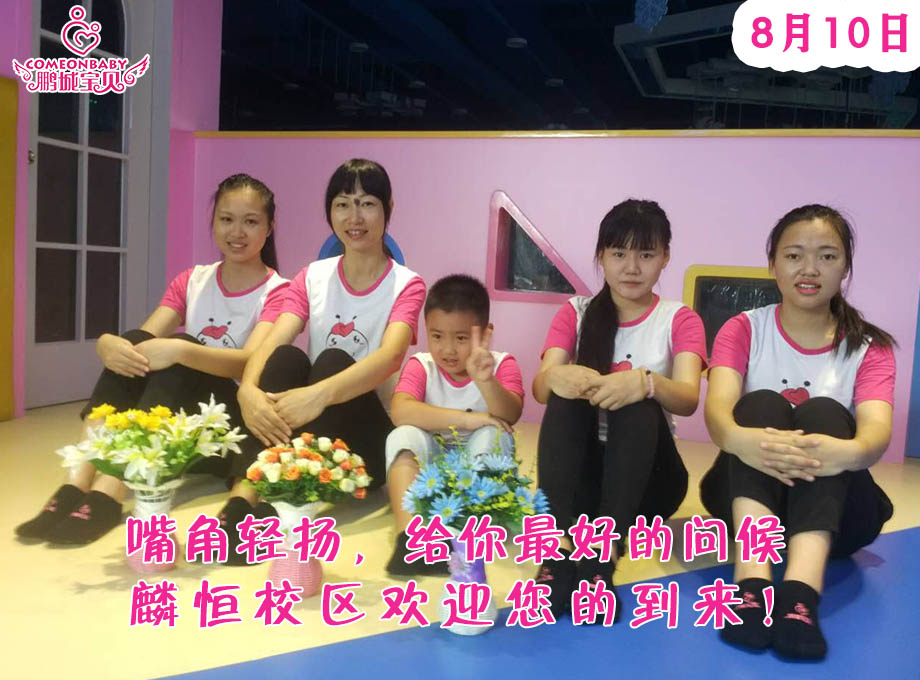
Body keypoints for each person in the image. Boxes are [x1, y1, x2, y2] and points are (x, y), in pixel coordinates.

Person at [17, 173, 288, 545]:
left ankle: (111, 489)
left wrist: (182, 350)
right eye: (226, 219)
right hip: (182, 431)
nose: (237, 232)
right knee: (135, 340)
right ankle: (76, 479)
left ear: (269, 228)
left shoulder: (278, 291)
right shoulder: (192, 280)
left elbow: (248, 363)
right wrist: (107, 345)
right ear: (213, 223)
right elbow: (142, 347)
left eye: (251, 221)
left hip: (231, 429)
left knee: (180, 350)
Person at [700, 204, 895, 659]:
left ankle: (800, 597)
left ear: (845, 267)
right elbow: (718, 415)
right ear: (773, 263)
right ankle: (751, 588)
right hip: (747, 502)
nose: (809, 269)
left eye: (827, 256)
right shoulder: (743, 329)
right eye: (794, 255)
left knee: (824, 411)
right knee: (760, 404)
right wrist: (748, 441)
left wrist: (838, 452)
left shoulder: (870, 347)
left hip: (839, 515)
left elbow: (875, 436)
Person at [225, 159, 426, 564]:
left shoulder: (407, 284)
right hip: (312, 430)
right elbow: (274, 338)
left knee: (334, 359)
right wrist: (248, 389)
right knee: (286, 358)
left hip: (367, 438)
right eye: (342, 204)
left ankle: (277, 507)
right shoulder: (312, 276)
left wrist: (318, 395)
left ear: (388, 208)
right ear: (329, 212)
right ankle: (242, 500)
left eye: (367, 204)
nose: (354, 217)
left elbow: (390, 357)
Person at [533, 199, 706, 618]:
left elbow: (687, 398)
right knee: (565, 394)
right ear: (601, 256)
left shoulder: (679, 319)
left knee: (638, 401)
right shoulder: (575, 313)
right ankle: (558, 552)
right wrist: (557, 377)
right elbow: (539, 389)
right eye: (618, 253)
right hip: (584, 483)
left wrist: (646, 383)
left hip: (649, 482)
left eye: (646, 254)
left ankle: (601, 558)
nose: (631, 267)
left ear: (665, 257)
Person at [384, 274, 524, 575]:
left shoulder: (501, 364)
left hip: (481, 481)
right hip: (432, 476)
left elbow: (510, 413)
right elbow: (400, 411)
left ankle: (465, 536)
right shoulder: (422, 365)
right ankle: (411, 539)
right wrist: (468, 419)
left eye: (461, 339)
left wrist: (485, 380)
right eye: (437, 336)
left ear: (485, 333)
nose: (447, 350)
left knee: (492, 433)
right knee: (402, 435)